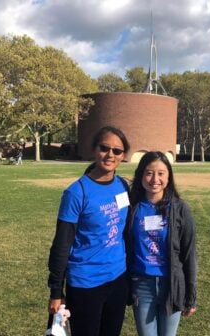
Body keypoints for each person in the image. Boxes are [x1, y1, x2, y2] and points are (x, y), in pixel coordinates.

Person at [47, 126, 131, 336]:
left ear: (123, 156)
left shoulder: (122, 186)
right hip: (86, 283)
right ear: (94, 149)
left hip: (118, 279)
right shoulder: (76, 192)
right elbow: (62, 244)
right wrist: (56, 291)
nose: (110, 154)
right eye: (104, 148)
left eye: (117, 151)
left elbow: (126, 232)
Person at [128, 151, 197, 336]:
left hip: (172, 284)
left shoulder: (180, 209)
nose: (154, 179)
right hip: (142, 285)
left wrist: (191, 295)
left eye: (161, 173)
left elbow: (189, 254)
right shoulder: (131, 207)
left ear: (169, 176)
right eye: (149, 173)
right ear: (141, 174)